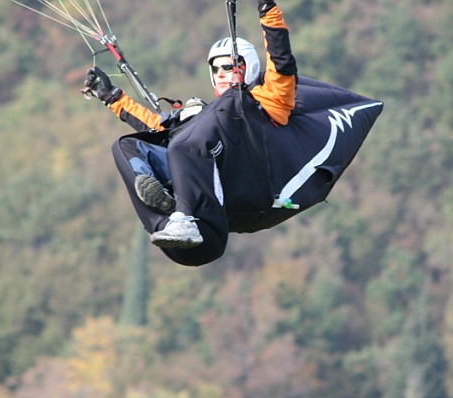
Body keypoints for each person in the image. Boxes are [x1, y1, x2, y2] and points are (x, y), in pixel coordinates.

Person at [85, 0, 297, 247]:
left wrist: (267, 9)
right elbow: (158, 127)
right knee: (129, 146)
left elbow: (281, 60)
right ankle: (169, 205)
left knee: (199, 128)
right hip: (200, 171)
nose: (220, 73)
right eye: (215, 69)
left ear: (248, 67)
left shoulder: (269, 100)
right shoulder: (205, 115)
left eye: (228, 66)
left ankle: (185, 217)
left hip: (246, 180)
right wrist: (112, 97)